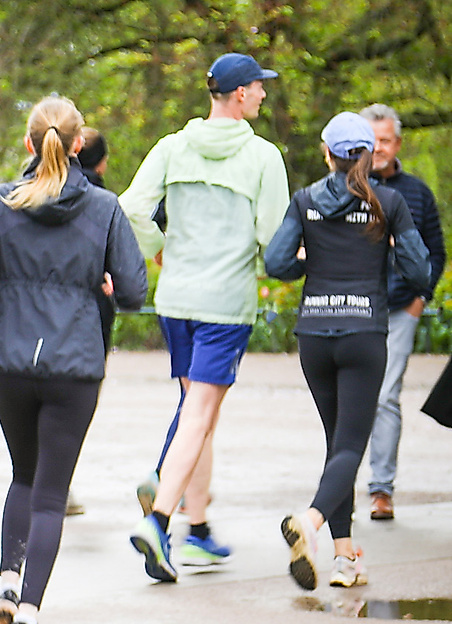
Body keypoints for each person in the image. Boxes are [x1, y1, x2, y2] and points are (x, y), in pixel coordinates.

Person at [0, 96, 147, 624]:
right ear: (80, 144)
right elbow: (132, 290)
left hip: (11, 358)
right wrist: (105, 291)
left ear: (28, 143)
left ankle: (5, 586)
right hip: (75, 363)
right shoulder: (105, 209)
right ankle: (32, 607)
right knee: (50, 494)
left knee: (22, 475)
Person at [118, 52, 289, 582]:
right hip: (223, 305)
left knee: (201, 415)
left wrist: (162, 251)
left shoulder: (172, 146)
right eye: (259, 87)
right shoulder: (263, 157)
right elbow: (272, 237)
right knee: (199, 415)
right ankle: (161, 522)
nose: (263, 94)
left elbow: (131, 209)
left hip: (176, 300)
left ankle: (199, 531)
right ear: (239, 94)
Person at [265, 111, 429, 590]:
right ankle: (311, 522)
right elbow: (419, 274)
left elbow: (277, 263)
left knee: (338, 444)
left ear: (327, 153)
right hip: (364, 335)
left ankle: (345, 558)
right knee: (351, 446)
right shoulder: (389, 202)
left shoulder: (305, 200)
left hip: (314, 335)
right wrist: (394, 248)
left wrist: (310, 260)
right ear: (369, 154)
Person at [359, 103, 445, 521]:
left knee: (386, 397)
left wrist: (419, 300)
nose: (379, 148)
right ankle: (338, 486)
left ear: (398, 143)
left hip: (398, 310)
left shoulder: (417, 192)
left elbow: (436, 252)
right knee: (352, 399)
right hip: (353, 308)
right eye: (372, 140)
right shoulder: (345, 186)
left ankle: (381, 489)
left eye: (386, 140)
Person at [64, 127, 114, 518]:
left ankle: (41, 478)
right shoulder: (104, 204)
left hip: (33, 318)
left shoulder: (19, 194)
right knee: (77, 400)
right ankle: (59, 480)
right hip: (92, 316)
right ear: (101, 162)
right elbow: (126, 277)